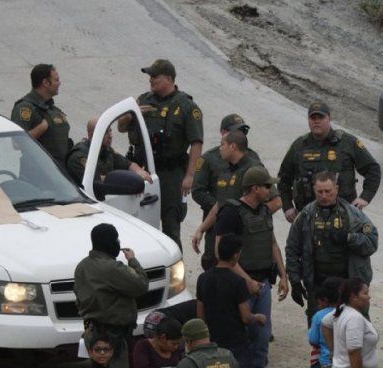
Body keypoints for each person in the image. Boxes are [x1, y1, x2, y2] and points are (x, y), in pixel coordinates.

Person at [210, 166, 288, 368]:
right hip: (239, 287)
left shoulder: (265, 211)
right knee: (236, 343)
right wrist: (247, 281)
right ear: (255, 188)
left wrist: (283, 275)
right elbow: (220, 252)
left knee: (261, 340)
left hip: (262, 283)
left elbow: (272, 243)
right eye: (267, 186)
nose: (271, 190)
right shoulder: (232, 213)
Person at [75, 223, 149, 368]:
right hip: (112, 336)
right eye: (116, 240)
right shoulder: (111, 268)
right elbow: (140, 285)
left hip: (94, 332)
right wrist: (133, 261)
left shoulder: (83, 267)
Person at [118, 59, 203, 249]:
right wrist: (130, 114)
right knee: (138, 221)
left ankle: (175, 272)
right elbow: (121, 128)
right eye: (150, 76)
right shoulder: (143, 100)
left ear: (169, 79)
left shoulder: (186, 106)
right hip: (142, 170)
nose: (151, 80)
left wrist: (190, 175)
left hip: (170, 174)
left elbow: (196, 143)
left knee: (171, 224)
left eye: (155, 76)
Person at [196, 233, 267, 368]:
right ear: (236, 256)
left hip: (213, 343)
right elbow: (246, 317)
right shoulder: (238, 283)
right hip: (236, 343)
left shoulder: (204, 278)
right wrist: (259, 318)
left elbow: (200, 315)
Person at [286, 170, 378, 321]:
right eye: (319, 191)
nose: (324, 196)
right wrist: (295, 280)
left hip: (348, 286)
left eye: (328, 191)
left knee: (354, 329)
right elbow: (292, 248)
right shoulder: (306, 215)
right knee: (319, 329)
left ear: (336, 189)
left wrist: (348, 238)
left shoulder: (353, 215)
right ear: (314, 190)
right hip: (318, 285)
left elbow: (372, 243)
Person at [191, 115, 282, 256]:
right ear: (223, 132)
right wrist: (224, 214)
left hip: (244, 238)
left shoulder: (252, 161)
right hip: (216, 225)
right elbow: (199, 192)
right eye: (236, 132)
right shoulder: (210, 158)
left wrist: (252, 220)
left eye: (243, 132)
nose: (241, 136)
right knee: (213, 262)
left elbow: (274, 201)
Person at [278, 101, 381, 223]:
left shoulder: (347, 142)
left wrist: (365, 197)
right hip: (308, 218)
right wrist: (287, 206)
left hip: (343, 216)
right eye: (313, 118)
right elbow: (283, 179)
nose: (316, 121)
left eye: (321, 117)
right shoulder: (299, 146)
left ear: (329, 119)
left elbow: (373, 169)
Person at [11, 64, 71, 167]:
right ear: (46, 83)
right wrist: (42, 127)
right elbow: (17, 143)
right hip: (38, 173)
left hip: (58, 171)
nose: (59, 83)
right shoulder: (25, 108)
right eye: (56, 80)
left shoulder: (52, 109)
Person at [66, 117, 153, 186]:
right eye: (106, 132)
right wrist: (129, 179)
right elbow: (96, 180)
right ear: (93, 135)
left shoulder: (106, 150)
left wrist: (139, 172)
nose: (110, 136)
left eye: (110, 131)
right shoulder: (79, 156)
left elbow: (129, 164)